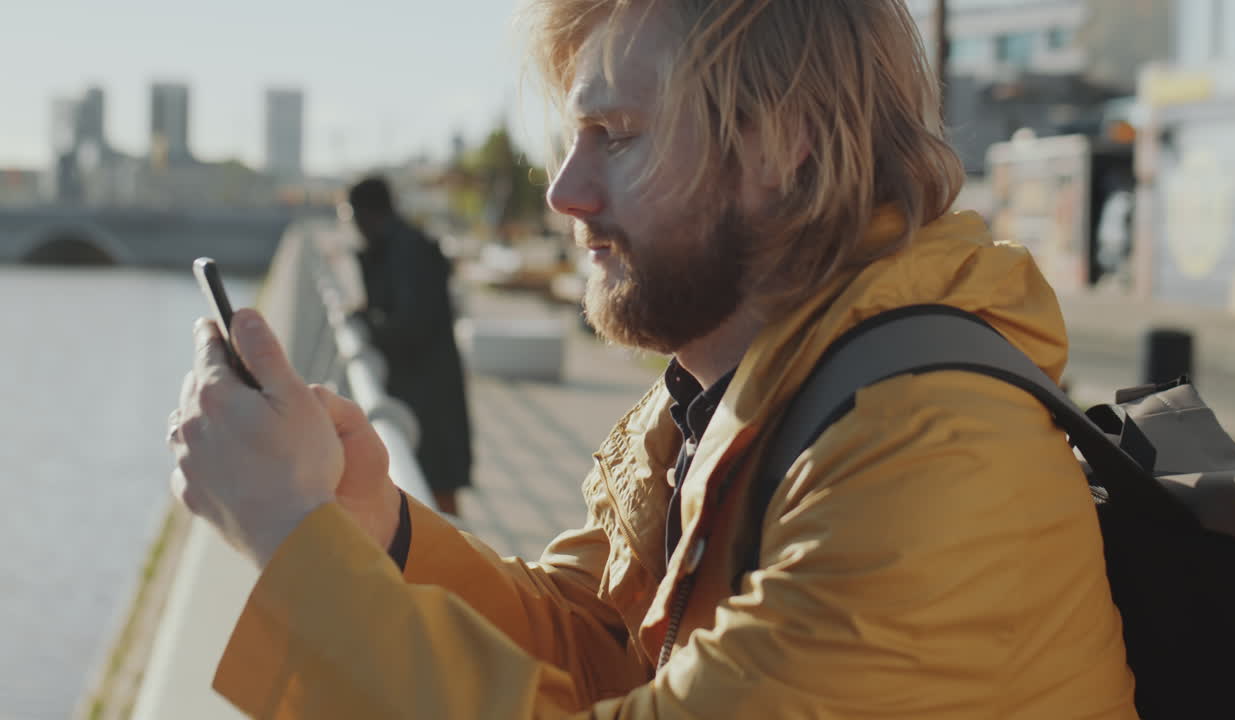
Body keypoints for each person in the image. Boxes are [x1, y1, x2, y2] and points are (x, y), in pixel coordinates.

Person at [165, 0, 1138, 717]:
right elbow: (597, 646)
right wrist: (378, 529)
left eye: (614, 137)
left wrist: (289, 533)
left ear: (785, 144)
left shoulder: (933, 449)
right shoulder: (720, 394)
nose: (563, 192)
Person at [347, 176, 471, 516]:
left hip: (426, 392)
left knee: (436, 491)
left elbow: (410, 323)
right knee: (430, 489)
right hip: (426, 387)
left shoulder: (405, 250)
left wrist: (368, 323)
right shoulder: (405, 245)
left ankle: (458, 569)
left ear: (366, 212)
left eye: (351, 214)